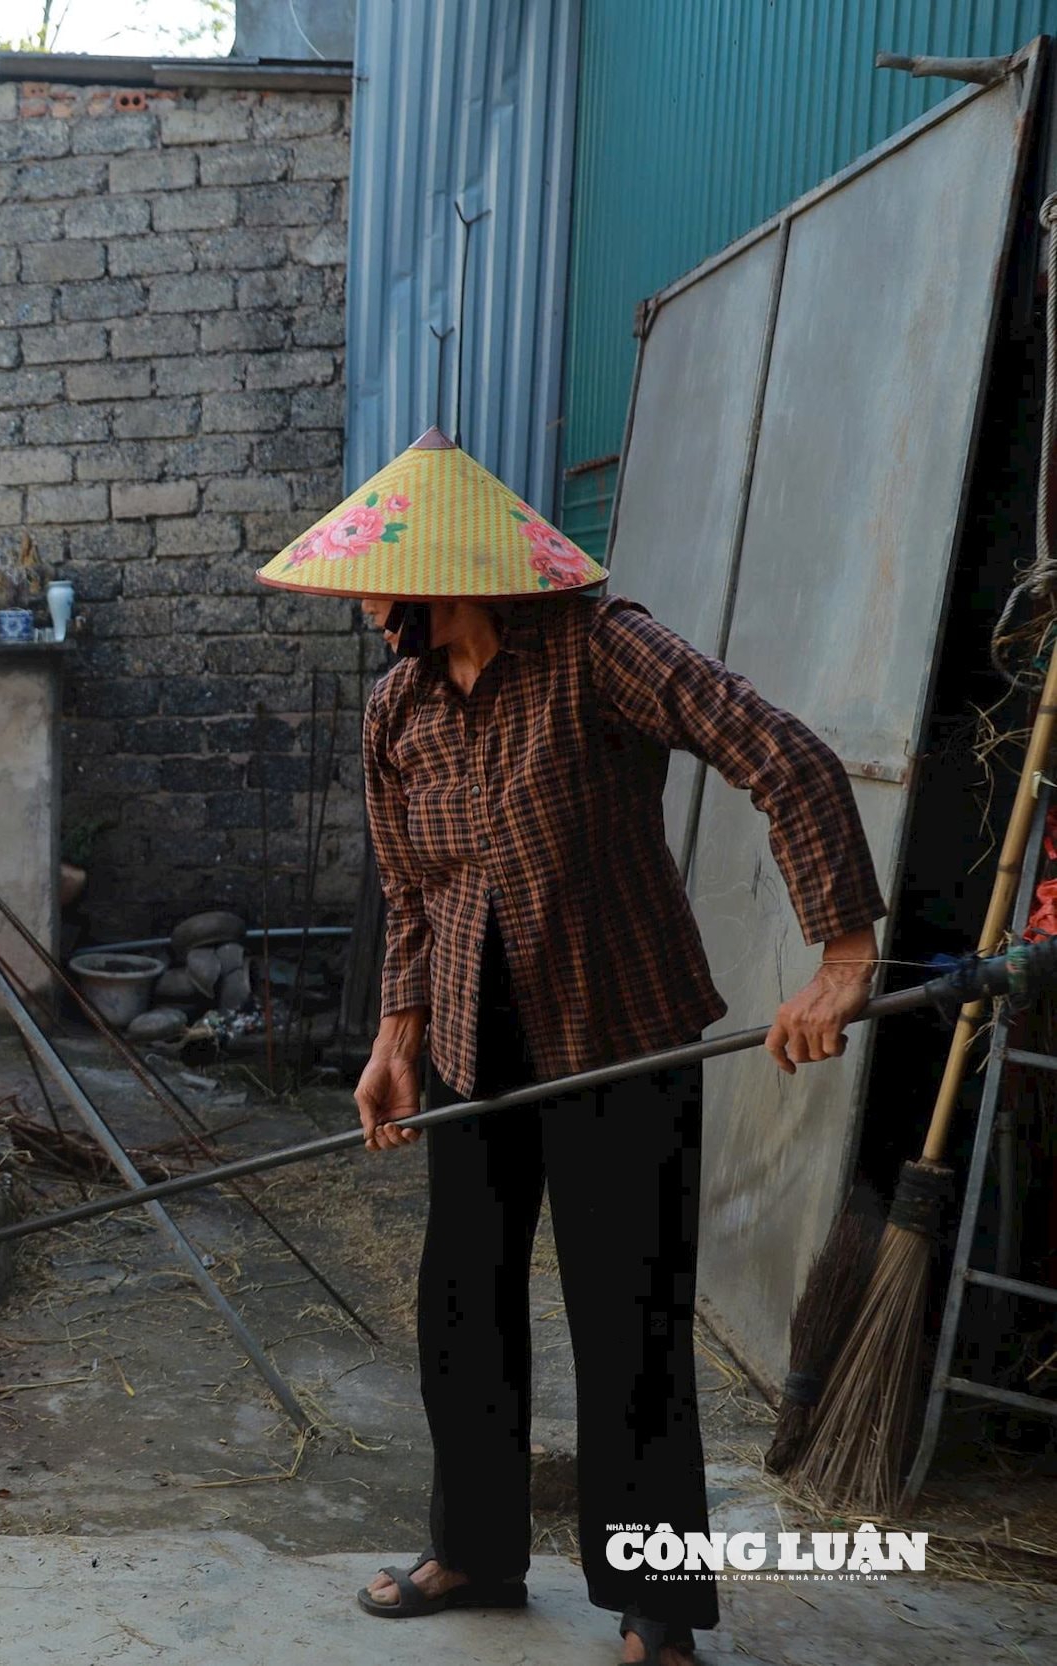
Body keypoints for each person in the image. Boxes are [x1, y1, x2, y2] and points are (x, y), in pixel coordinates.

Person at [254, 430, 886, 1666]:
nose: (371, 605)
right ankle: (478, 1549)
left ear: (456, 574)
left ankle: (657, 1603)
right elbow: (411, 888)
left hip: (616, 1032)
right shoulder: (398, 708)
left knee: (630, 1315)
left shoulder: (601, 650)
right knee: (461, 1301)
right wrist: (394, 1037)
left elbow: (779, 752)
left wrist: (843, 956)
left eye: (386, 581)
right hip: (467, 1041)